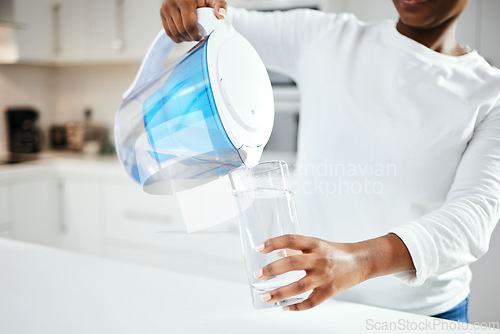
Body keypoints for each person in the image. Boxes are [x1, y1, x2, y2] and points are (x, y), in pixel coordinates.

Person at [160, 0, 500, 322]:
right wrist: (190, 7)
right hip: (318, 306)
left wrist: (358, 261)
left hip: (425, 314)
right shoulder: (323, 36)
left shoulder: (490, 93)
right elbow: (214, 20)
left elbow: (472, 217)